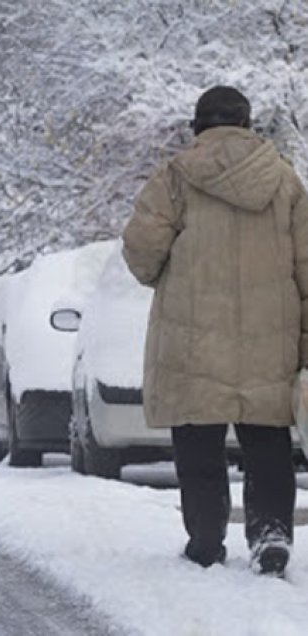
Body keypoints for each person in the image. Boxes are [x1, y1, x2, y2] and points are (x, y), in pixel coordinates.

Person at [122, 86, 308, 576]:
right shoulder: (286, 182)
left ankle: (205, 539)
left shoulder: (175, 178)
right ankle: (270, 533)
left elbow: (141, 255)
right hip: (271, 339)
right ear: (248, 125)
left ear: (198, 126)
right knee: (268, 441)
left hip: (192, 339)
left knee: (198, 441)